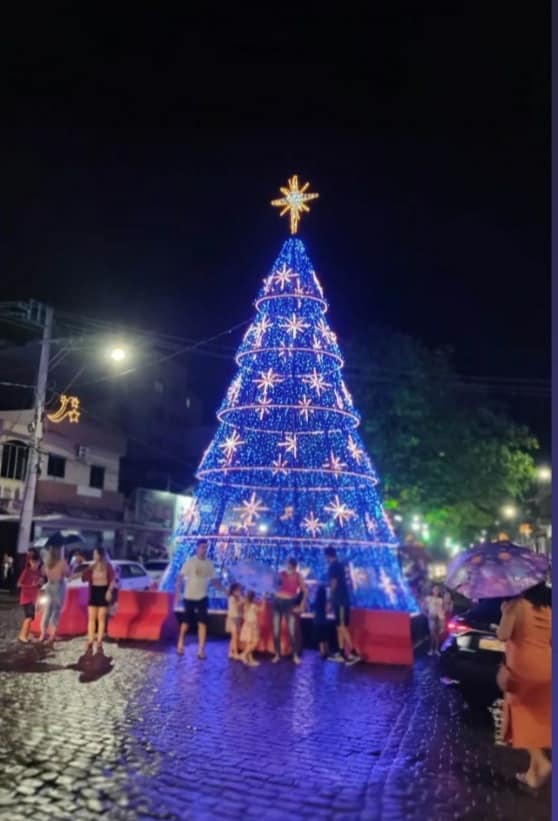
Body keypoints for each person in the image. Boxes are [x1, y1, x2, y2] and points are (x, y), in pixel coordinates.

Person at [496, 582, 552, 788]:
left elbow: (503, 635)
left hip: (522, 668)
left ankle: (541, 762)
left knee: (520, 714)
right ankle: (531, 774)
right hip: (547, 667)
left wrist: (505, 612)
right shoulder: (549, 608)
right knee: (535, 715)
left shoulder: (516, 605)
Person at [176, 539, 226, 659]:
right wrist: (178, 593)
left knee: (202, 623)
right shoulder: (190, 562)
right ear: (197, 548)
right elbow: (180, 577)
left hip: (202, 597)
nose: (204, 550)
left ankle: (201, 650)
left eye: (206, 547)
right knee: (186, 623)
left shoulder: (209, 564)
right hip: (189, 596)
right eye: (202, 547)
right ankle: (181, 642)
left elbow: (214, 581)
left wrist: (225, 591)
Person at [325, 546, 361, 665]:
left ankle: (353, 652)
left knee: (341, 626)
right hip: (341, 599)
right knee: (339, 627)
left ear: (327, 556)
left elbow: (334, 583)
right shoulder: (339, 565)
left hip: (340, 600)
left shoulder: (333, 566)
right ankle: (341, 653)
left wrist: (329, 599)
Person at [271, 557, 308, 665]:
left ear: (294, 566)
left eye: (289, 564)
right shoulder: (281, 574)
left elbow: (305, 591)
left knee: (292, 631)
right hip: (278, 601)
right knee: (276, 630)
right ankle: (277, 654)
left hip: (289, 603)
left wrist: (302, 604)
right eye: (287, 564)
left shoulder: (298, 576)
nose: (288, 566)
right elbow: (274, 586)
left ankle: (295, 655)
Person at [79, 547, 117, 652]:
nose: (94, 555)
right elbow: (84, 576)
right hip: (94, 592)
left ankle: (99, 640)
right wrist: (79, 574)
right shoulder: (92, 567)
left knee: (101, 619)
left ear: (100, 555)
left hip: (103, 592)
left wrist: (109, 591)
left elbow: (113, 580)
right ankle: (90, 640)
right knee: (91, 618)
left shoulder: (108, 567)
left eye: (95, 553)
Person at [39, 544, 70, 643]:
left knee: (47, 611)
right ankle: (52, 635)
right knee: (56, 611)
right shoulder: (61, 562)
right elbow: (68, 574)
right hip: (58, 586)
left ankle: (43, 634)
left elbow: (43, 573)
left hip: (48, 585)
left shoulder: (47, 562)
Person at [16, 548, 44, 643]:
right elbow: (19, 584)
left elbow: (39, 587)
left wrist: (39, 599)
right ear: (30, 562)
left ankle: (24, 635)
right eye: (34, 562)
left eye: (37, 562)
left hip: (33, 599)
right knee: (29, 617)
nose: (36, 564)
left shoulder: (39, 573)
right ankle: (22, 636)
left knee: (31, 617)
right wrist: (31, 586)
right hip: (26, 598)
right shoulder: (26, 571)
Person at [239, 590, 262, 667]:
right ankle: (244, 655)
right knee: (255, 642)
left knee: (248, 643)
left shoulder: (246, 605)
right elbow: (260, 611)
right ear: (253, 597)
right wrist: (264, 601)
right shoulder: (253, 606)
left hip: (247, 625)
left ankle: (250, 660)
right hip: (252, 626)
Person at [423, 584, 445, 656]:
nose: (436, 591)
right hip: (431, 618)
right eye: (435, 589)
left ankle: (436, 649)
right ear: (432, 590)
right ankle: (431, 649)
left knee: (437, 635)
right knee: (432, 634)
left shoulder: (441, 600)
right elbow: (423, 608)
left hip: (438, 618)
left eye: (437, 590)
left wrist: (442, 620)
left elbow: (442, 610)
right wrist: (427, 615)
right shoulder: (428, 598)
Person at [226, 582, 244, 660]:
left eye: (240, 590)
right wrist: (241, 602)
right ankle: (235, 653)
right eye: (237, 590)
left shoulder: (238, 598)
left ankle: (230, 652)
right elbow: (236, 606)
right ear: (233, 591)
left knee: (234, 636)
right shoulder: (232, 598)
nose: (239, 592)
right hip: (233, 619)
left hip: (237, 618)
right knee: (234, 636)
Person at [312, 584, 329, 659]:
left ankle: (322, 653)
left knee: (320, 638)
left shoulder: (316, 602)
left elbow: (314, 612)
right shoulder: (325, 601)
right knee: (325, 637)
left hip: (317, 621)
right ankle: (327, 651)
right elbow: (327, 610)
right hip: (324, 621)